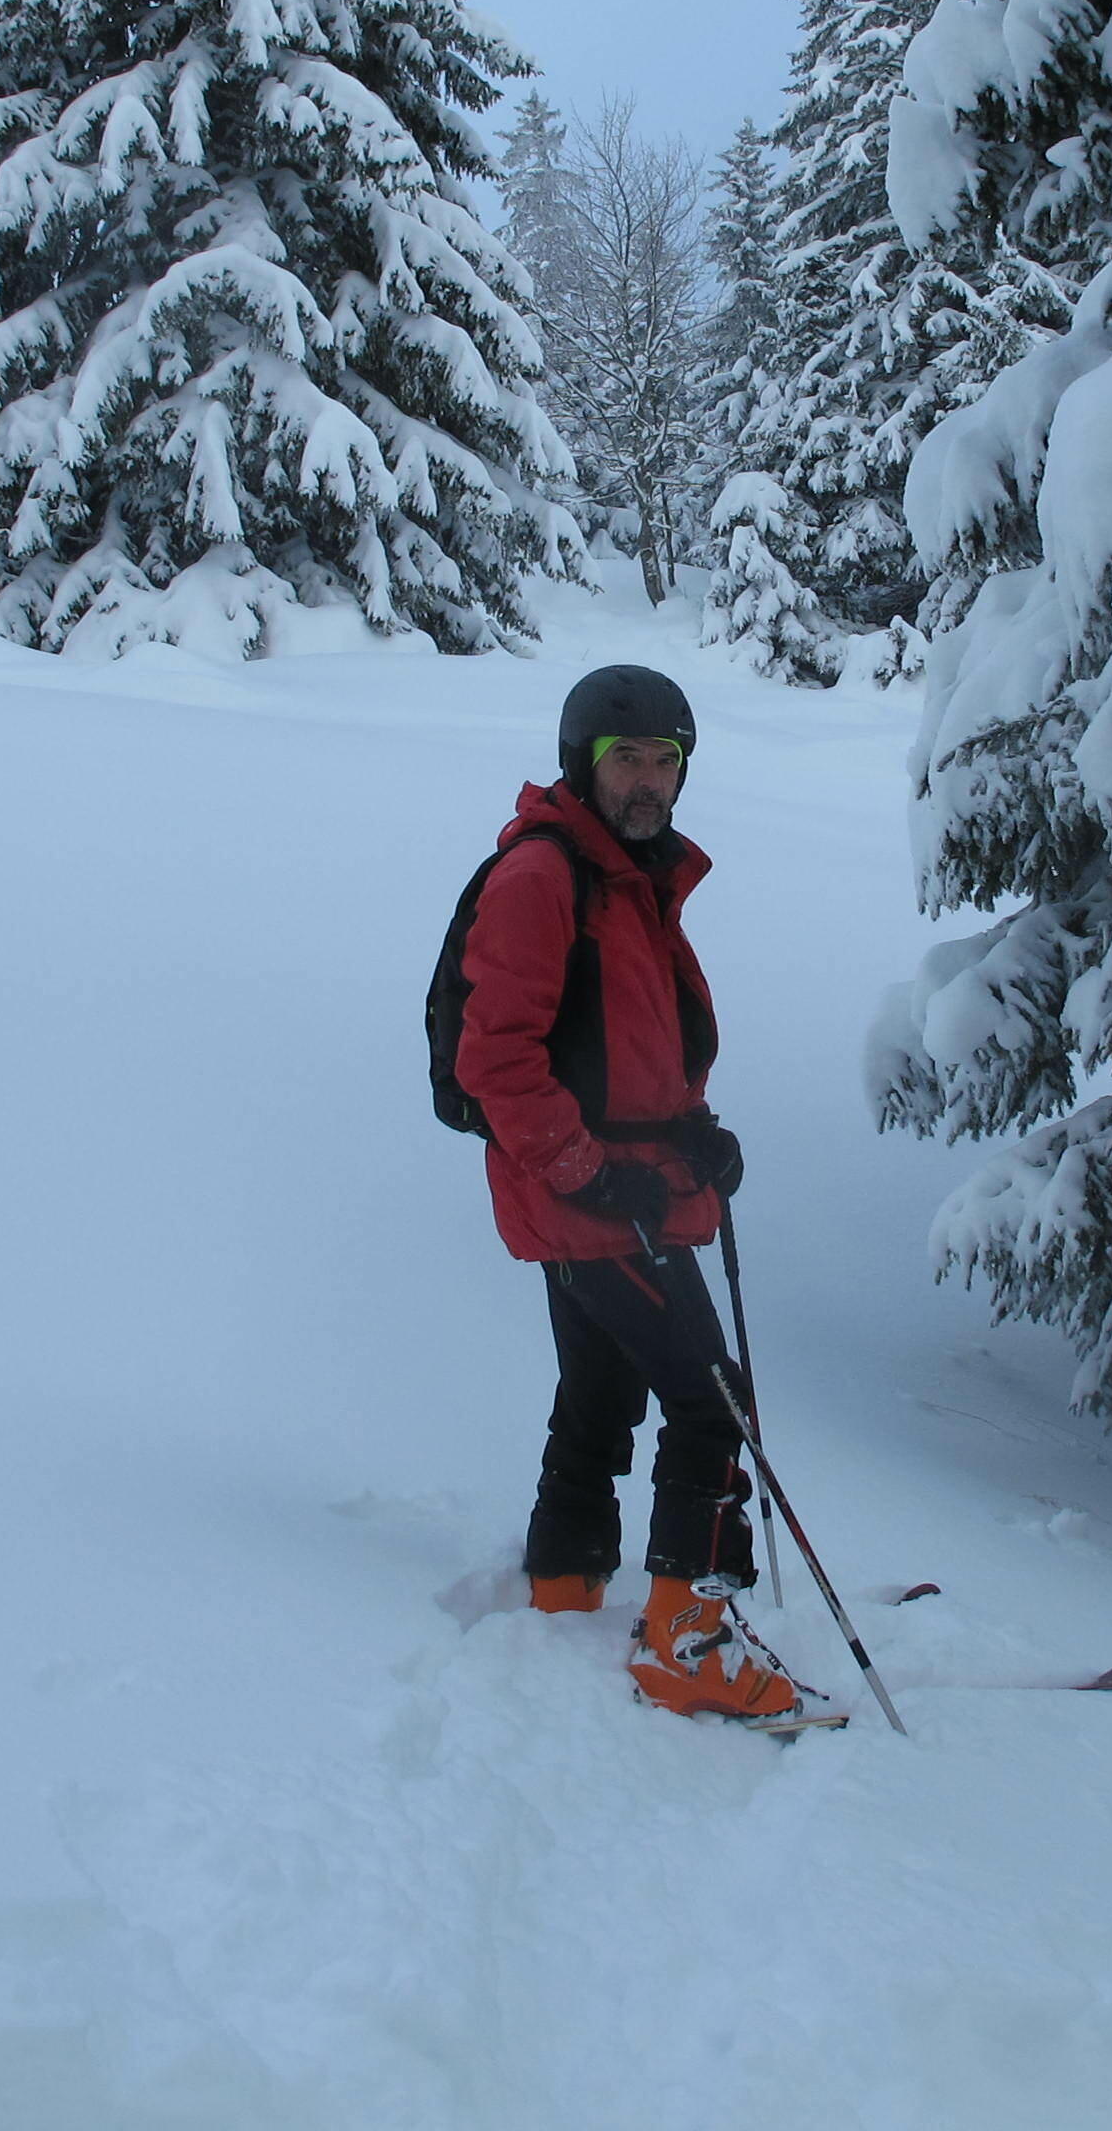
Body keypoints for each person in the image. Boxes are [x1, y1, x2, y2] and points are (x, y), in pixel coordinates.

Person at [449, 663, 801, 1724]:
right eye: (626, 759)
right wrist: (587, 1172)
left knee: (602, 1390)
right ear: (582, 764)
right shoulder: (544, 878)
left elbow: (628, 1044)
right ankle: (686, 1642)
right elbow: (496, 1059)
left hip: (620, 1184)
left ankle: (565, 1586)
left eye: (665, 760)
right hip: (587, 1197)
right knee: (711, 1398)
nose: (649, 780)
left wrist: (692, 1129)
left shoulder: (627, 875)